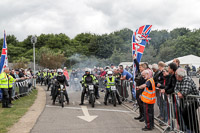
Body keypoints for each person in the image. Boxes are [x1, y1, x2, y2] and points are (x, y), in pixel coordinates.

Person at [175, 68, 200, 133]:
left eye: (176, 75)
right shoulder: (178, 80)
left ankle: (194, 130)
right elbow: (175, 89)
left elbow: (185, 92)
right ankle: (190, 130)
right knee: (186, 115)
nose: (175, 76)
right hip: (186, 101)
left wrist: (181, 93)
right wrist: (178, 93)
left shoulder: (187, 79)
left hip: (193, 101)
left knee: (191, 116)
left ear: (180, 75)